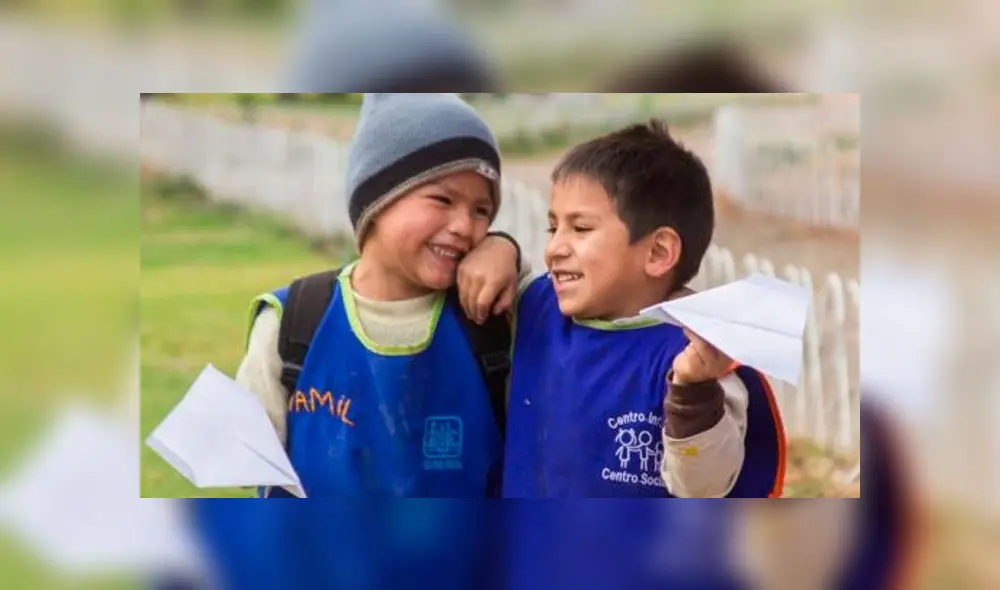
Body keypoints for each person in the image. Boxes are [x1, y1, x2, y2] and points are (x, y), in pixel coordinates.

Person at [235, 93, 521, 498]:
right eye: (442, 199)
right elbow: (247, 463)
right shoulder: (293, 322)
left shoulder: (492, 314)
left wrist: (506, 248)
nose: (465, 226)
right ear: (377, 202)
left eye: (482, 211)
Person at [484, 118, 787, 498]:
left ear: (658, 252)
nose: (554, 248)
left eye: (580, 229)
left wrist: (692, 392)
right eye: (553, 228)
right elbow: (500, 279)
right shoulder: (536, 308)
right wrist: (499, 247)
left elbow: (704, 487)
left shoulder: (699, 354)